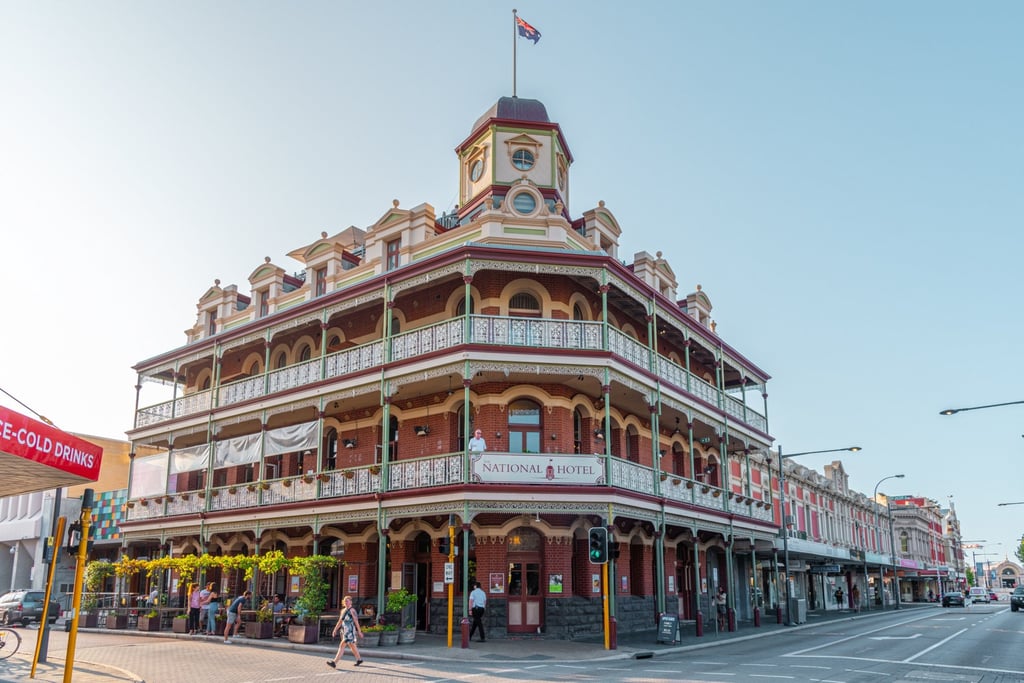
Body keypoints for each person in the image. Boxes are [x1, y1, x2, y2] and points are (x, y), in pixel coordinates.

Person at [327, 595, 363, 668]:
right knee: (352, 646)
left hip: (350, 631)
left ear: (351, 602)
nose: (346, 602)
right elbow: (340, 621)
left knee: (342, 645)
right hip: (344, 631)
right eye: (345, 601)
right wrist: (335, 629)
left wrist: (359, 631)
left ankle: (334, 662)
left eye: (348, 600)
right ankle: (359, 659)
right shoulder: (343, 610)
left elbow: (356, 621)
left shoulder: (352, 610)